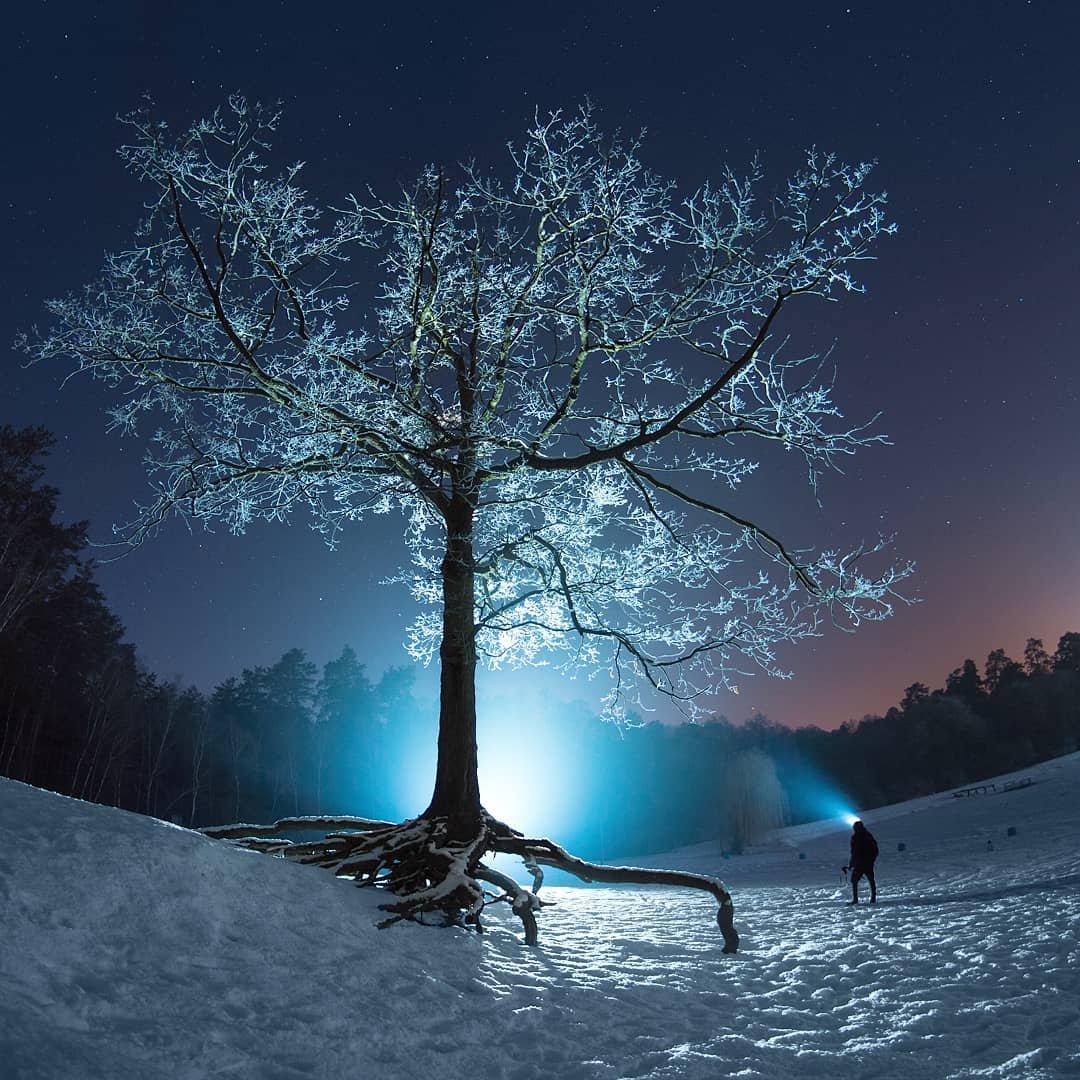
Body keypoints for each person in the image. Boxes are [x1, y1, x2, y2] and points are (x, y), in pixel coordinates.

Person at [846, 819, 878, 904]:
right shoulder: (867, 835)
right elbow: (875, 849)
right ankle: (873, 898)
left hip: (860, 863)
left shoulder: (856, 837)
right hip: (867, 863)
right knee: (870, 880)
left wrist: (851, 864)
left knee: (854, 881)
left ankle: (856, 900)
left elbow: (854, 852)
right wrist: (871, 860)